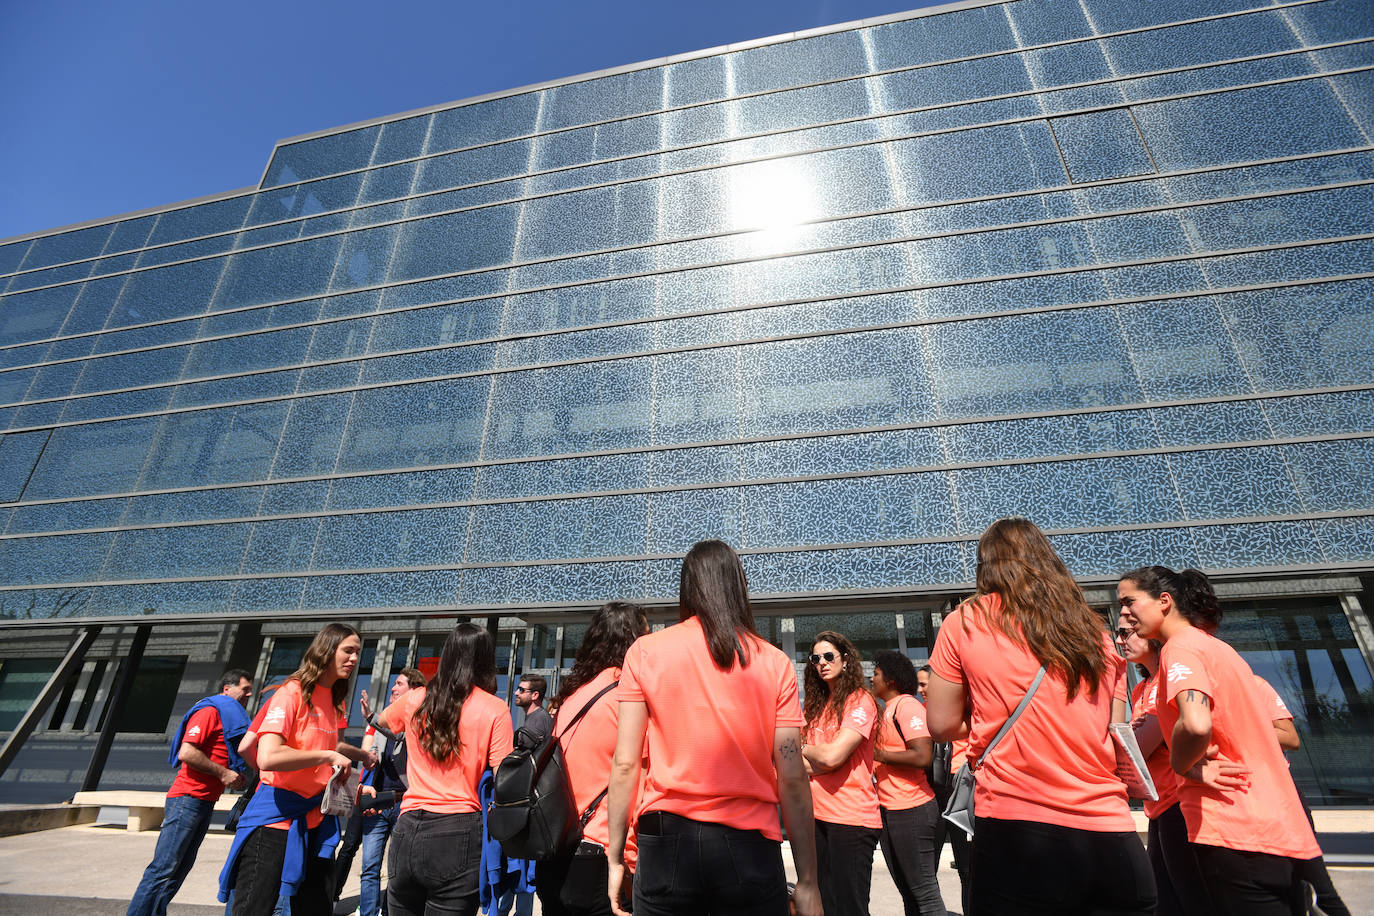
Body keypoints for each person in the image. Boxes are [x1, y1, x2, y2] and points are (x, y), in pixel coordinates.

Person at [926, 517, 1154, 915]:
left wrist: (985, 713)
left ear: (987, 566)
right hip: (1112, 834)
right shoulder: (1095, 631)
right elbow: (1114, 729)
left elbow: (941, 724)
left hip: (1017, 832)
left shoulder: (966, 620)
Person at [607, 539, 821, 916]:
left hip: (666, 841)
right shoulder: (774, 662)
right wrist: (808, 881)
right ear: (738, 586)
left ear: (687, 588)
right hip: (750, 845)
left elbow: (625, 763)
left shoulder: (645, 652)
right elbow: (791, 776)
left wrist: (614, 857)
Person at [1118, 566, 1325, 915]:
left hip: (1226, 812)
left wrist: (1181, 763)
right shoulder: (1199, 658)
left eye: (1129, 605)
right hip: (1225, 812)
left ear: (1165, 603)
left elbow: (1194, 726)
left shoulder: (1183, 651)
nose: (1123, 629)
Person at [219, 623, 376, 916]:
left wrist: (351, 782)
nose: (354, 659)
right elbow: (267, 756)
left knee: (316, 907)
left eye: (358, 652)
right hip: (274, 821)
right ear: (327, 650)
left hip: (317, 821)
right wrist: (326, 756)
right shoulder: (291, 693)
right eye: (348, 650)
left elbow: (325, 756)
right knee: (255, 907)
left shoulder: (334, 701)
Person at [377, 621, 514, 916]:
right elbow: (505, 777)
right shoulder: (494, 708)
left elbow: (381, 722)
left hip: (407, 827)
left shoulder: (415, 699)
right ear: (486, 659)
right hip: (459, 830)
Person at [537, 601, 648, 916]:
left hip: (557, 849)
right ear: (632, 642)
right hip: (602, 853)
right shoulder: (627, 694)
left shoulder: (573, 695)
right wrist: (626, 858)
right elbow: (634, 775)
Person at [127, 669, 253, 916]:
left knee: (178, 870)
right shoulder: (210, 711)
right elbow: (187, 752)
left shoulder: (228, 717)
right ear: (227, 689)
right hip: (187, 799)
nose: (250, 693)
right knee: (163, 869)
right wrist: (224, 773)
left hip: (203, 801)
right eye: (245, 688)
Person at [1116, 621, 1215, 916]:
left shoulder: (1168, 680)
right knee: (1167, 899)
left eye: (1126, 632)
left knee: (1188, 898)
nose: (1120, 641)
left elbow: (1137, 748)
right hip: (1158, 805)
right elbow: (1135, 743)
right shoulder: (1141, 689)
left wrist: (1131, 736)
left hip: (1179, 801)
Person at [332, 667, 425, 916]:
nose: (393, 689)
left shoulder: (418, 721)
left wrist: (373, 717)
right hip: (375, 801)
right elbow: (371, 752)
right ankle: (368, 912)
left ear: (414, 691)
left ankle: (389, 910)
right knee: (369, 865)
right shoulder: (383, 719)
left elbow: (401, 735)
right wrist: (372, 722)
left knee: (398, 868)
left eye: (399, 684)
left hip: (403, 805)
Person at [802, 630, 881, 916]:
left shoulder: (860, 700)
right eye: (815, 658)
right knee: (828, 906)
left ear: (845, 660)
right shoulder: (818, 706)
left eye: (828, 656)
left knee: (851, 908)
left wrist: (805, 747)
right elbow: (809, 764)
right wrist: (819, 757)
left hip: (852, 819)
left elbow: (833, 756)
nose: (821, 662)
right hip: (818, 815)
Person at [870, 651, 946, 916]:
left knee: (924, 893)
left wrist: (879, 755)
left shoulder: (907, 706)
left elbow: (922, 755)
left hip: (912, 809)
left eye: (876, 674)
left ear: (890, 680)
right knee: (909, 894)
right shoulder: (886, 709)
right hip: (890, 810)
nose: (871, 678)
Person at [499, 674, 550, 916]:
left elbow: (524, 756)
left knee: (522, 868)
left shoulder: (538, 720)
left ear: (535, 695)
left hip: (528, 805)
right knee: (516, 866)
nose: (516, 692)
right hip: (525, 803)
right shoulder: (534, 719)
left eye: (522, 689)